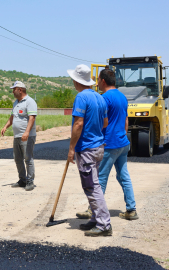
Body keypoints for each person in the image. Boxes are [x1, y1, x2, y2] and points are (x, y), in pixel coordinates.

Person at [76, 69, 138, 221]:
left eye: (98, 80)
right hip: (123, 142)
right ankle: (131, 209)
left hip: (110, 143)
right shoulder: (122, 97)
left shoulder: (104, 98)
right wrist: (122, 135)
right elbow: (126, 121)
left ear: (103, 81)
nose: (96, 82)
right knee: (124, 176)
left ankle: (93, 211)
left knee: (99, 179)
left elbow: (102, 122)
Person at [67, 64, 112, 237]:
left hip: (86, 149)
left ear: (77, 80)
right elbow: (105, 123)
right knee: (94, 184)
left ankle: (103, 224)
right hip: (99, 147)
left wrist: (71, 148)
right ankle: (95, 218)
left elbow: (78, 123)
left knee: (91, 187)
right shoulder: (100, 98)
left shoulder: (81, 97)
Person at [1, 81, 37, 191]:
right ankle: (22, 180)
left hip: (27, 136)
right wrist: (5, 126)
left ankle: (30, 181)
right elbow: (12, 117)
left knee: (28, 158)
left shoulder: (30, 102)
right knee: (17, 158)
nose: (12, 91)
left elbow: (32, 118)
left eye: (14, 89)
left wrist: (26, 132)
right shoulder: (16, 102)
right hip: (17, 136)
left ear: (20, 90)